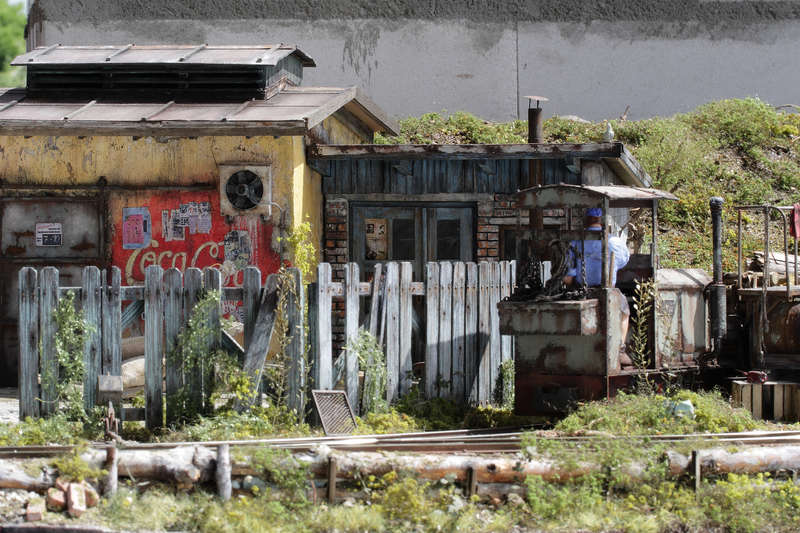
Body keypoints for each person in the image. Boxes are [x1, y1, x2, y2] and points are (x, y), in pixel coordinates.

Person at [563, 207, 633, 365]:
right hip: (607, 290)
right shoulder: (614, 241)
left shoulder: (576, 241)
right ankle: (620, 350)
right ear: (601, 220)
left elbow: (568, 274)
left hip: (583, 290)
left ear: (586, 220)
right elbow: (623, 261)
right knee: (625, 311)